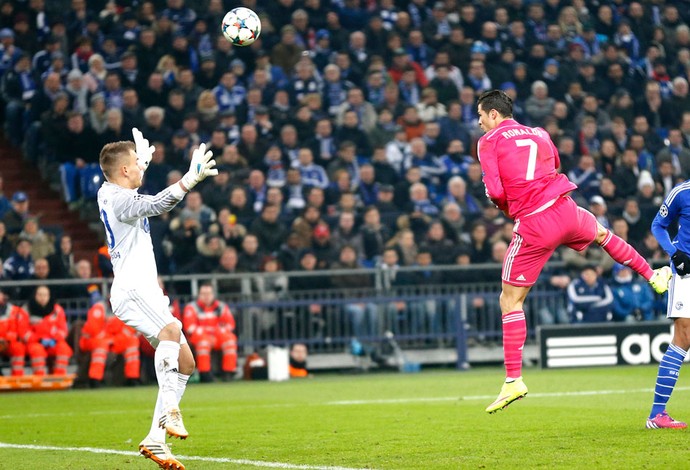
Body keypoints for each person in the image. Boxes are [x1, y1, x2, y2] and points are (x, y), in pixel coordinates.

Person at [475, 90, 672, 414]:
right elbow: (554, 164)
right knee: (603, 234)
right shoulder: (539, 133)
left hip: (535, 222)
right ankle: (653, 276)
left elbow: (495, 190)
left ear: (494, 114)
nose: (480, 122)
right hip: (565, 209)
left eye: (481, 115)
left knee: (510, 300)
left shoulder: (489, 140)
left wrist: (507, 205)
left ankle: (513, 380)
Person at [97, 126, 217, 469]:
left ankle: (155, 439)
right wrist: (188, 181)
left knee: (186, 363)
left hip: (145, 288)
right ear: (123, 170)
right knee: (172, 329)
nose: (140, 166)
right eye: (135, 163)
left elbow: (133, 185)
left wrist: (142, 165)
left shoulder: (112, 190)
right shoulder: (120, 199)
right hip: (133, 287)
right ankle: (170, 409)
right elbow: (155, 204)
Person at [644, 179, 690, 429]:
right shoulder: (682, 193)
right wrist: (674, 252)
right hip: (686, 274)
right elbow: (658, 225)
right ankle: (657, 414)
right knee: (684, 335)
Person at [182, 283, 237, 383]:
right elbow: (190, 328)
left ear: (213, 295)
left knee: (230, 340)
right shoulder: (192, 307)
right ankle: (205, 374)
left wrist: (216, 332)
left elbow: (230, 325)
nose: (206, 296)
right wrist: (209, 332)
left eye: (209, 293)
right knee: (204, 342)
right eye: (203, 294)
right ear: (199, 295)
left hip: (217, 337)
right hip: (199, 337)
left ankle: (228, 373)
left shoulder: (221, 307)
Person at [79, 300, 141, 388]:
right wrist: (109, 339)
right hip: (91, 340)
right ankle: (95, 379)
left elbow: (129, 329)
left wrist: (113, 340)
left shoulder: (126, 309)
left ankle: (132, 378)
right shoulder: (99, 308)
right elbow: (94, 331)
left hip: (112, 340)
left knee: (132, 342)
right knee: (101, 345)